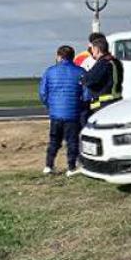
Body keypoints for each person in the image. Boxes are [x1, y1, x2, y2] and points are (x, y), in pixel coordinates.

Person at [38, 45, 87, 175]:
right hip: (73, 113)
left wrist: (50, 105)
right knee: (72, 141)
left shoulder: (49, 71)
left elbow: (43, 93)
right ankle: (71, 167)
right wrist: (81, 105)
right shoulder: (80, 72)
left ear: (59, 56)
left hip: (55, 114)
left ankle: (49, 165)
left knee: (54, 140)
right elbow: (86, 94)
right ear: (72, 57)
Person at [80, 32, 125, 119]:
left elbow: (89, 80)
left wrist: (82, 78)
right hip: (115, 102)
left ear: (97, 49)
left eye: (92, 49)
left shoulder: (103, 63)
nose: (91, 51)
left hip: (103, 104)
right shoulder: (115, 62)